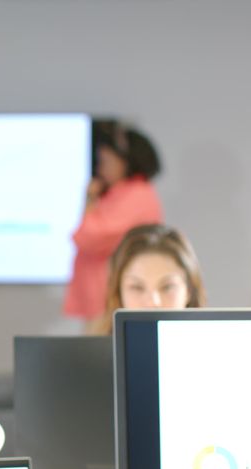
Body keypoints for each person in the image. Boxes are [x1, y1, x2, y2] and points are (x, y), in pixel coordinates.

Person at [63, 122, 164, 332]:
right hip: (103, 299)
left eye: (106, 160)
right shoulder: (119, 194)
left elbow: (88, 237)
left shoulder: (136, 195)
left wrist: (90, 200)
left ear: (125, 161)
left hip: (111, 299)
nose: (101, 168)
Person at [94, 223, 207, 335]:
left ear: (189, 291)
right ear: (118, 293)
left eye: (167, 287)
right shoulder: (94, 353)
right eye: (137, 287)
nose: (153, 303)